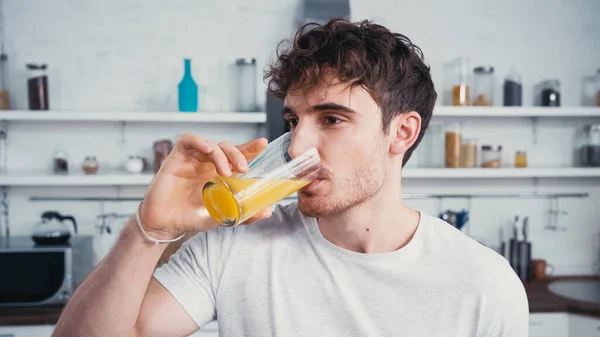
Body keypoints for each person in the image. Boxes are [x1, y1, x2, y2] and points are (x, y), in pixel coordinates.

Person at [52, 18, 528, 337]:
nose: (297, 146)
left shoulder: (482, 284)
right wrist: (148, 231)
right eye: (293, 120)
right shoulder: (236, 246)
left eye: (332, 119)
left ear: (401, 132)